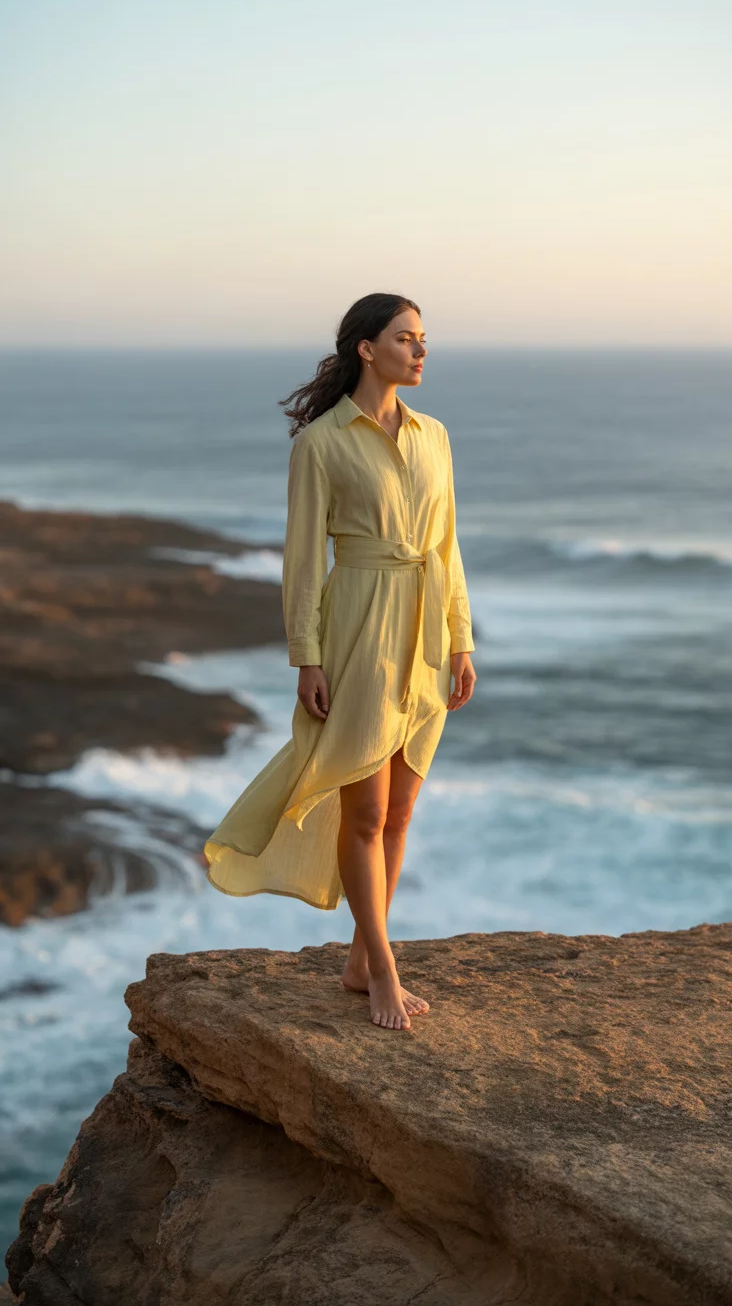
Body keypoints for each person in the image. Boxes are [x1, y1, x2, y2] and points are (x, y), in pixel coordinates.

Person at [204, 292, 477, 1030]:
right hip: (358, 624)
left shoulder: (434, 436)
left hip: (424, 631)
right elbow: (301, 561)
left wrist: (460, 638)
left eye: (423, 338)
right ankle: (383, 971)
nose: (420, 350)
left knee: (401, 811)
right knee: (366, 811)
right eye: (406, 338)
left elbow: (447, 545)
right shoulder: (321, 444)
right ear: (367, 348)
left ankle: (362, 958)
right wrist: (308, 657)